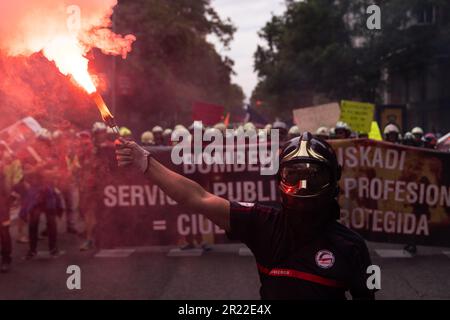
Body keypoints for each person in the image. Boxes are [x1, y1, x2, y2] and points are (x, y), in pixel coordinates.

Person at [115, 132, 375, 300]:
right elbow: (197, 197)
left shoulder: (353, 247)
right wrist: (146, 162)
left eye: (314, 176)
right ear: (279, 179)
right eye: (293, 176)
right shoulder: (260, 221)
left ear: (333, 179)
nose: (303, 187)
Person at [0, 142, 12, 273]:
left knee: (3, 230)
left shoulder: (4, 167)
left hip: (2, 204)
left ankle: (6, 258)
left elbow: (8, 188)